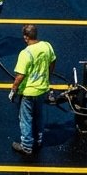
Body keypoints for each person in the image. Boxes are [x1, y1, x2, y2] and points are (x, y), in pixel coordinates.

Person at [9, 24, 55, 155]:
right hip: (42, 89)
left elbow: (20, 76)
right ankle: (38, 140)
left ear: (25, 37)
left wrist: (13, 90)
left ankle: (27, 146)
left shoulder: (26, 53)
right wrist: (47, 76)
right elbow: (53, 61)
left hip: (29, 92)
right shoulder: (47, 46)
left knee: (26, 118)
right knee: (39, 115)